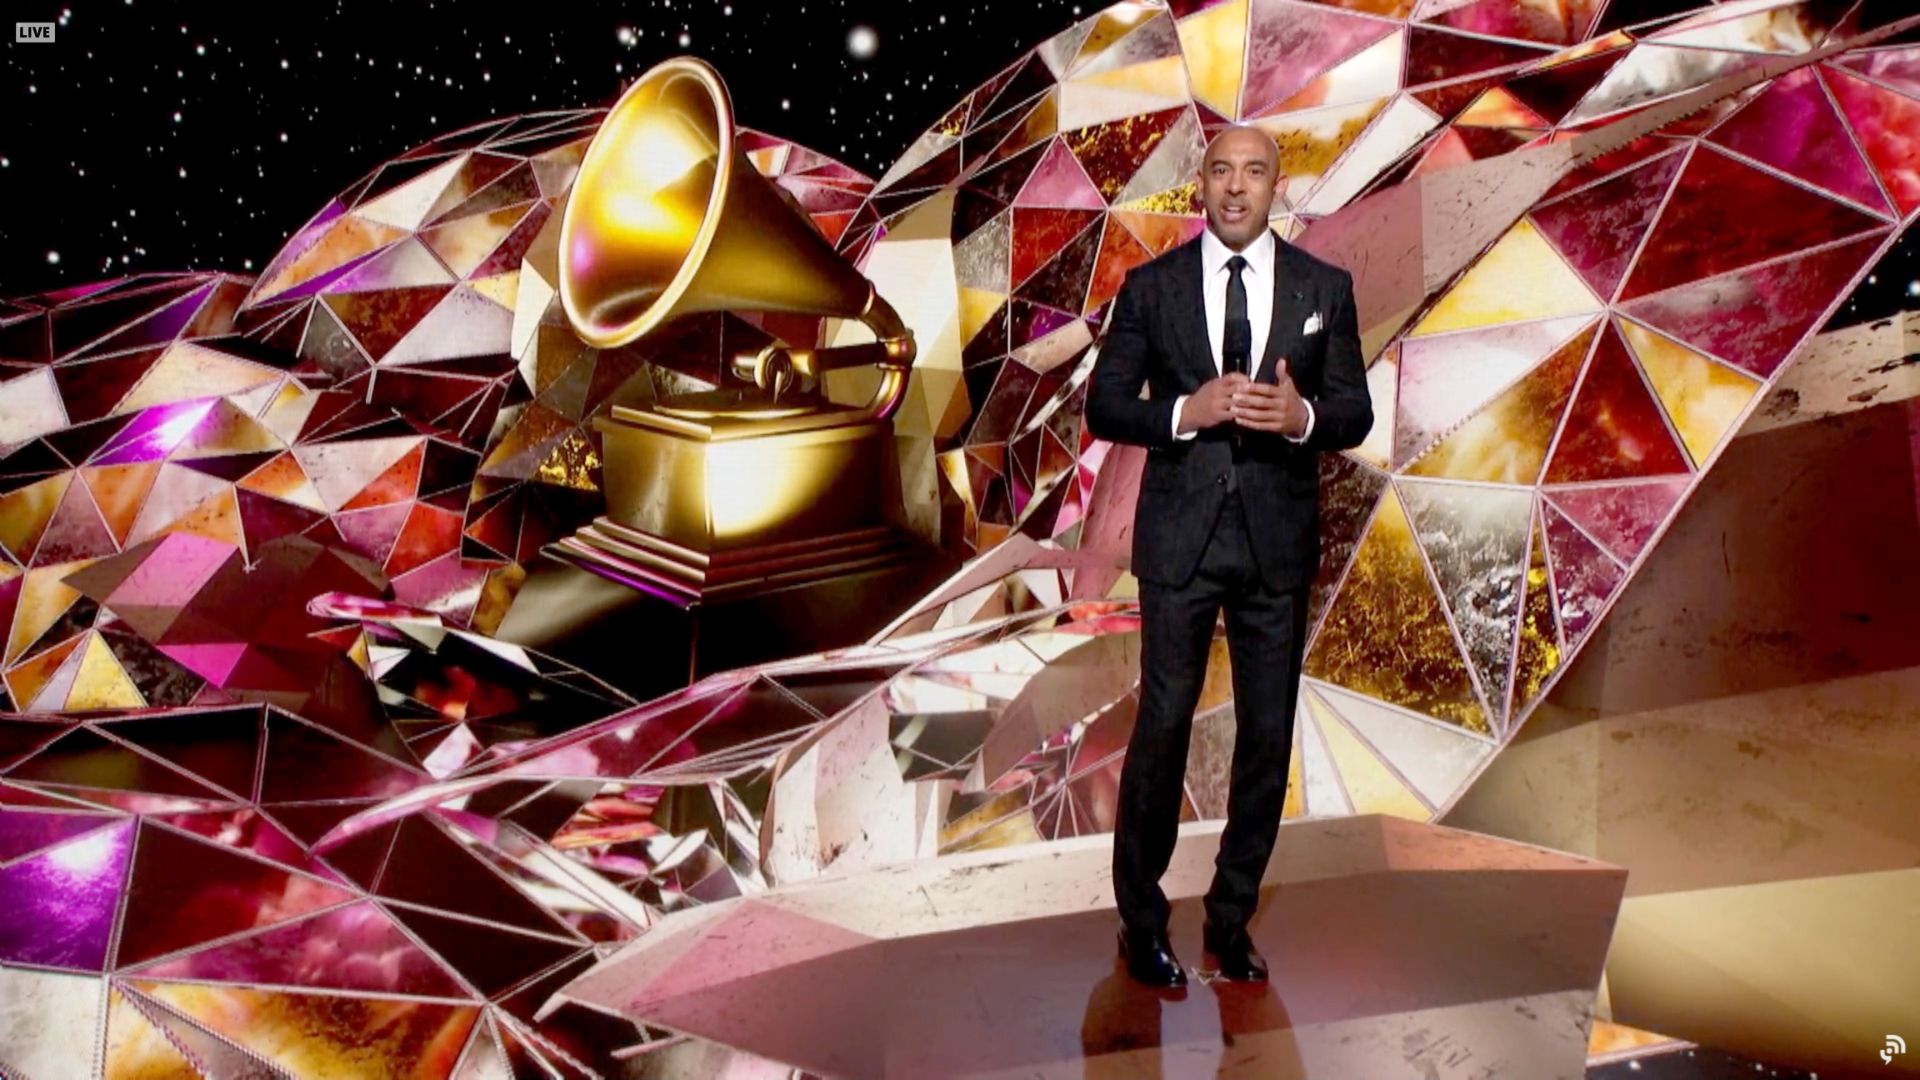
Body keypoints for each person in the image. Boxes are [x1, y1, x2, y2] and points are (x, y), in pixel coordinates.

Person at [1085, 125, 1372, 989]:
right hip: (1180, 544)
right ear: (1200, 186)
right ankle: (1142, 921)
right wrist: (1186, 410)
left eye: (1254, 171)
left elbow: (1352, 409)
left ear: (1276, 185)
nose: (1237, 187)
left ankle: (1230, 916)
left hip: (1276, 546)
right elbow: (1105, 405)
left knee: (1268, 737)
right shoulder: (1152, 287)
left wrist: (1305, 420)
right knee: (1163, 730)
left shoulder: (1326, 287)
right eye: (1221, 171)